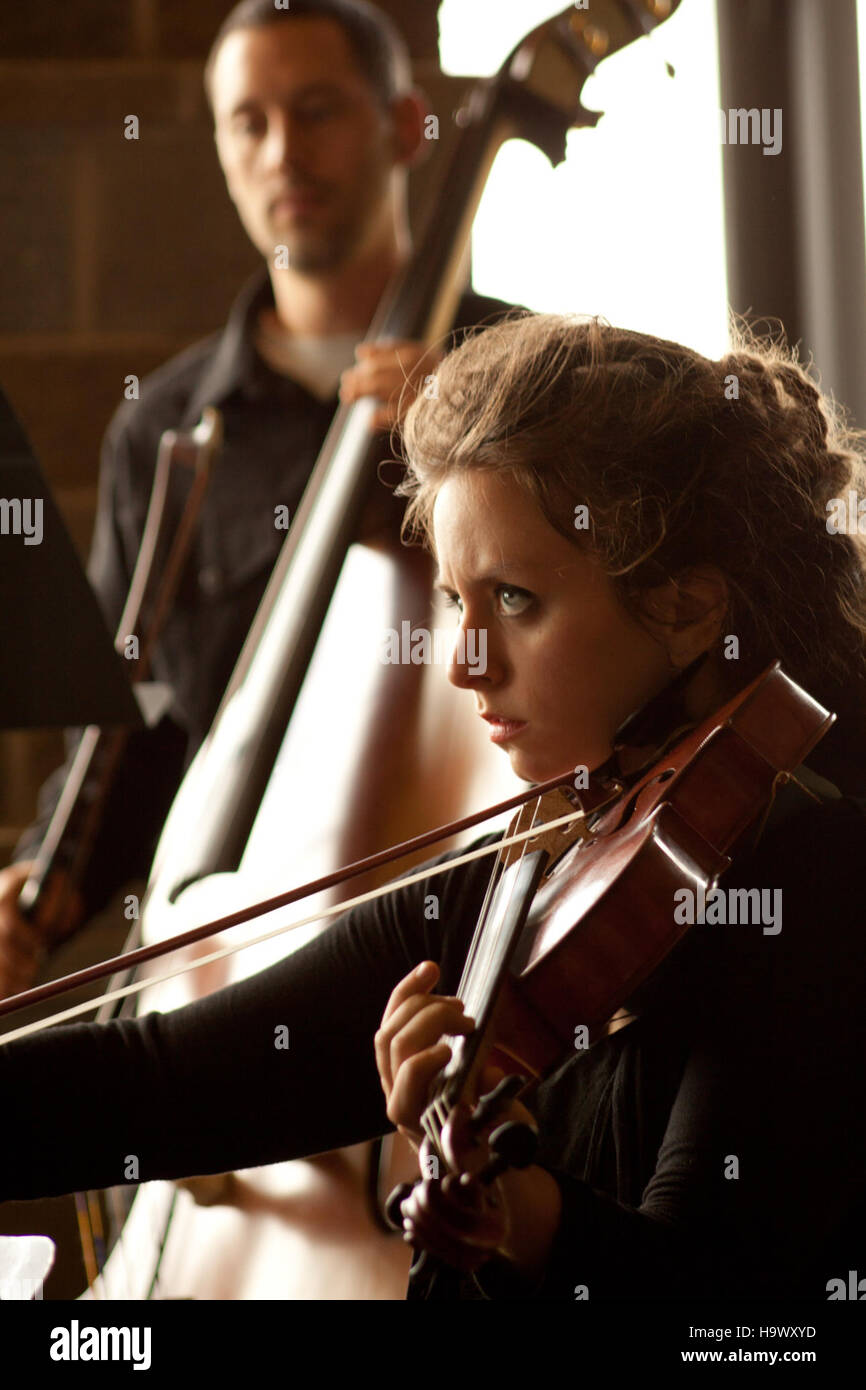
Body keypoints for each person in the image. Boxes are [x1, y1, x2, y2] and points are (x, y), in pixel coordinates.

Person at [2, 312, 865, 1300]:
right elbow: (158, 1083)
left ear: (684, 608)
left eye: (513, 601)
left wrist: (516, 1211)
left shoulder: (817, 876)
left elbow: (722, 1310)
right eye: (457, 601)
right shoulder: (559, 849)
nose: (463, 664)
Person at [0, 0, 513, 998]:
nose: (283, 152)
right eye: (250, 121)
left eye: (316, 111)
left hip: (457, 937)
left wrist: (467, 436)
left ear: (403, 126)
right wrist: (47, 886)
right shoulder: (162, 430)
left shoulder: (520, 381)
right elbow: (136, 733)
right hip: (229, 951)